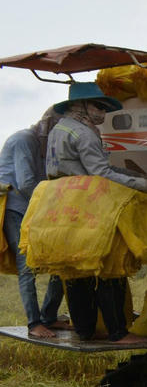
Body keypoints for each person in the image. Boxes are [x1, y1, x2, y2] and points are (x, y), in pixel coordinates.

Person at [45, 82, 147, 346]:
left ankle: (85, 330)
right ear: (80, 106)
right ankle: (118, 332)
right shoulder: (85, 134)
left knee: (78, 269)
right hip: (89, 205)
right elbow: (102, 174)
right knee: (110, 267)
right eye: (98, 106)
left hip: (61, 204)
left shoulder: (58, 129)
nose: (102, 113)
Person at [0, 108, 66, 338]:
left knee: (61, 261)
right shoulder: (24, 140)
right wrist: (54, 206)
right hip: (15, 208)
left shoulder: (44, 144)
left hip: (34, 206)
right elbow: (27, 183)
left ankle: (49, 317)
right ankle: (34, 323)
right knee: (26, 264)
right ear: (48, 128)